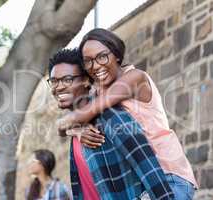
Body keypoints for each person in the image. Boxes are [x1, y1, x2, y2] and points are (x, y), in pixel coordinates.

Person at [58, 28, 197, 199]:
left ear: (116, 54)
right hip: (143, 179)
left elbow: (81, 115)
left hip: (168, 175)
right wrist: (77, 131)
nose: (95, 66)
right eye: (88, 61)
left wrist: (73, 123)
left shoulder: (134, 78)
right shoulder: (99, 92)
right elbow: (62, 127)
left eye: (102, 56)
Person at [48, 48, 174, 200]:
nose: (59, 87)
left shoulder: (108, 115)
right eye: (54, 81)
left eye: (67, 80)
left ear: (87, 80)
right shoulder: (76, 127)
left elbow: (147, 166)